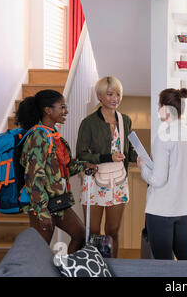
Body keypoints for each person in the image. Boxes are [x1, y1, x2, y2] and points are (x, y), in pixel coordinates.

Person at [16, 89, 97, 254]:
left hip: (58, 201)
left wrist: (84, 165)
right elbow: (33, 176)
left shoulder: (52, 134)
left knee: (80, 234)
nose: (66, 111)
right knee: (40, 250)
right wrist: (41, 209)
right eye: (62, 107)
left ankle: (65, 270)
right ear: (48, 110)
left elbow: (62, 168)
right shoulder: (38, 136)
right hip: (43, 203)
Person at [76, 76, 137, 258]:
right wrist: (107, 157)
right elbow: (81, 154)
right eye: (110, 94)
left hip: (118, 181)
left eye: (118, 94)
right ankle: (93, 267)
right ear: (99, 96)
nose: (115, 99)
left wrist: (144, 157)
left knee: (113, 231)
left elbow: (129, 151)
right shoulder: (88, 123)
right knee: (93, 233)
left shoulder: (125, 120)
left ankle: (112, 267)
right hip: (94, 182)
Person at [137, 88, 187, 260]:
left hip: (161, 209)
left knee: (163, 263)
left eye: (159, 105)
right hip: (182, 208)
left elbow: (157, 180)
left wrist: (143, 166)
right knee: (185, 256)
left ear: (165, 108)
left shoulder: (163, 136)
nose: (158, 110)